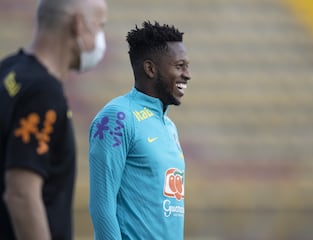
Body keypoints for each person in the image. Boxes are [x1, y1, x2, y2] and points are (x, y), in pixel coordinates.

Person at [0, 0, 107, 239]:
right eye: (100, 26)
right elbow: (21, 194)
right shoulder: (44, 92)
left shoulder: (10, 69)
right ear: (79, 25)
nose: (101, 39)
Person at [88, 21, 191, 239]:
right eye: (179, 66)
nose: (187, 75)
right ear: (150, 69)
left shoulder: (169, 127)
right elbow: (102, 205)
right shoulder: (117, 117)